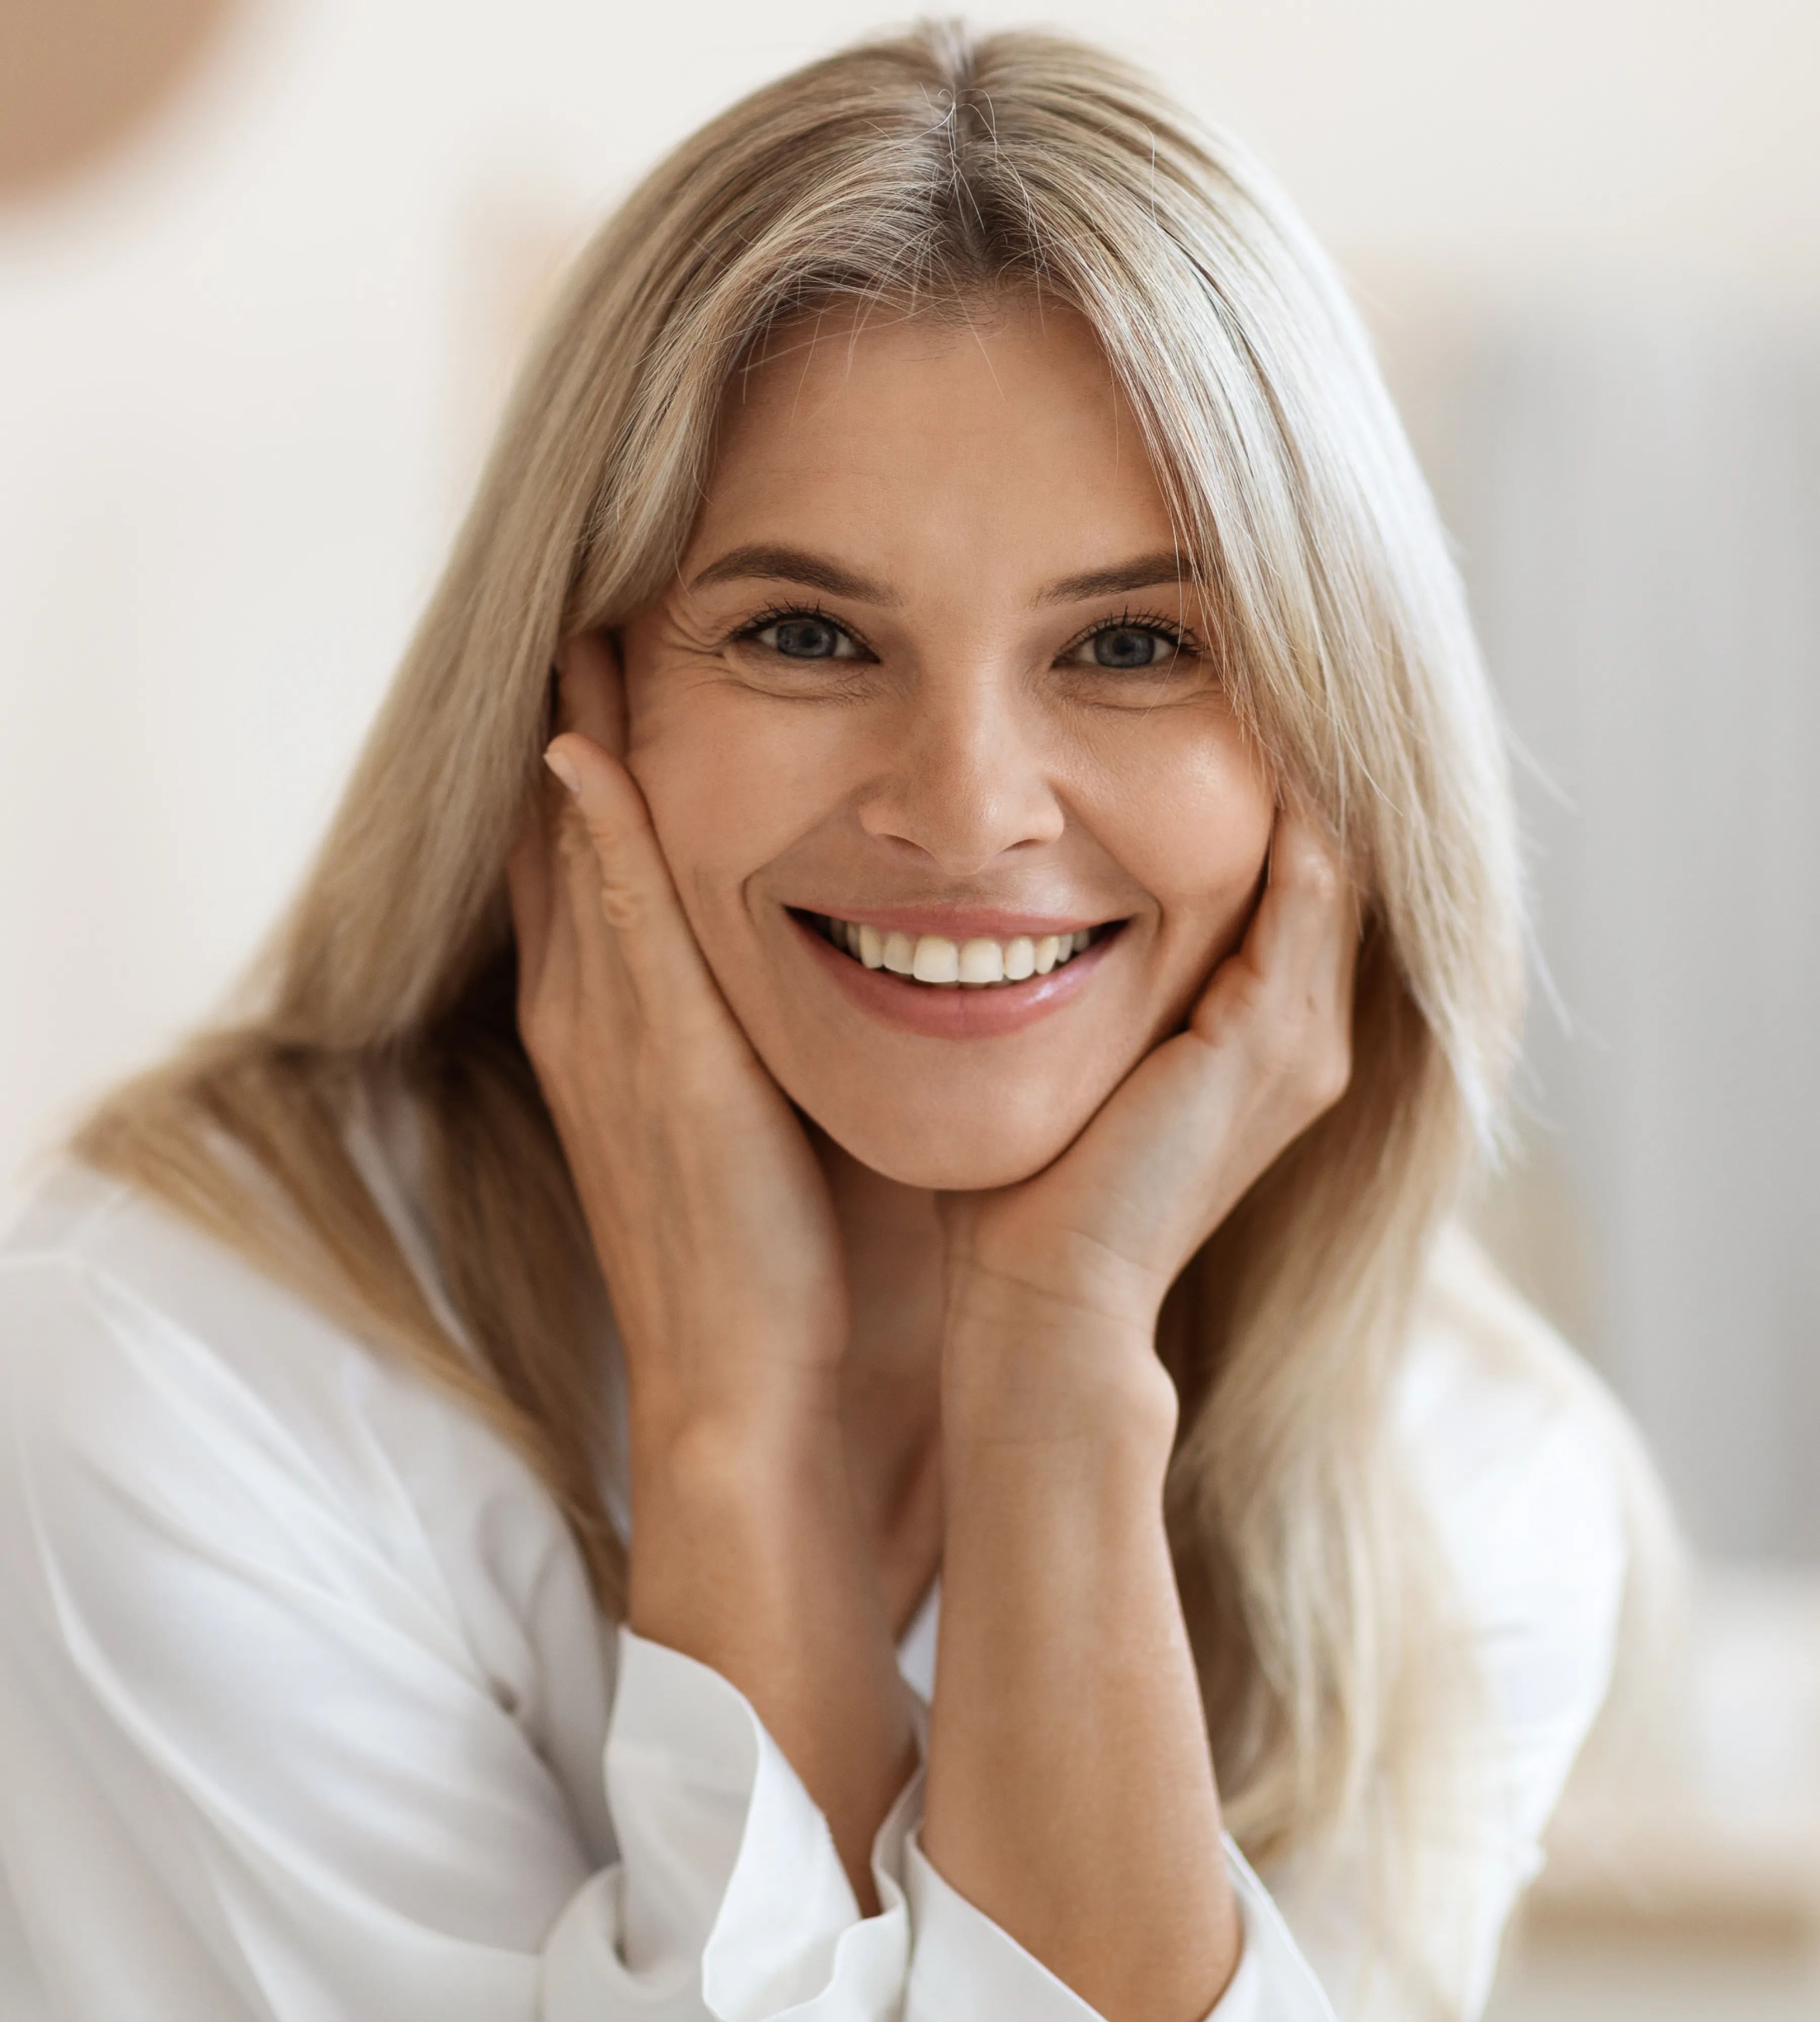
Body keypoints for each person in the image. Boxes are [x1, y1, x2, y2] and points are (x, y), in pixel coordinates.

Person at [0, 24, 1654, 2022]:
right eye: (802, 632)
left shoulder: (1456, 1487)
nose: (967, 809)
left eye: (1132, 645)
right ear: (575, 707)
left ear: (1330, 747)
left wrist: (1055, 1382)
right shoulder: (185, 1380)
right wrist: (734, 1421)